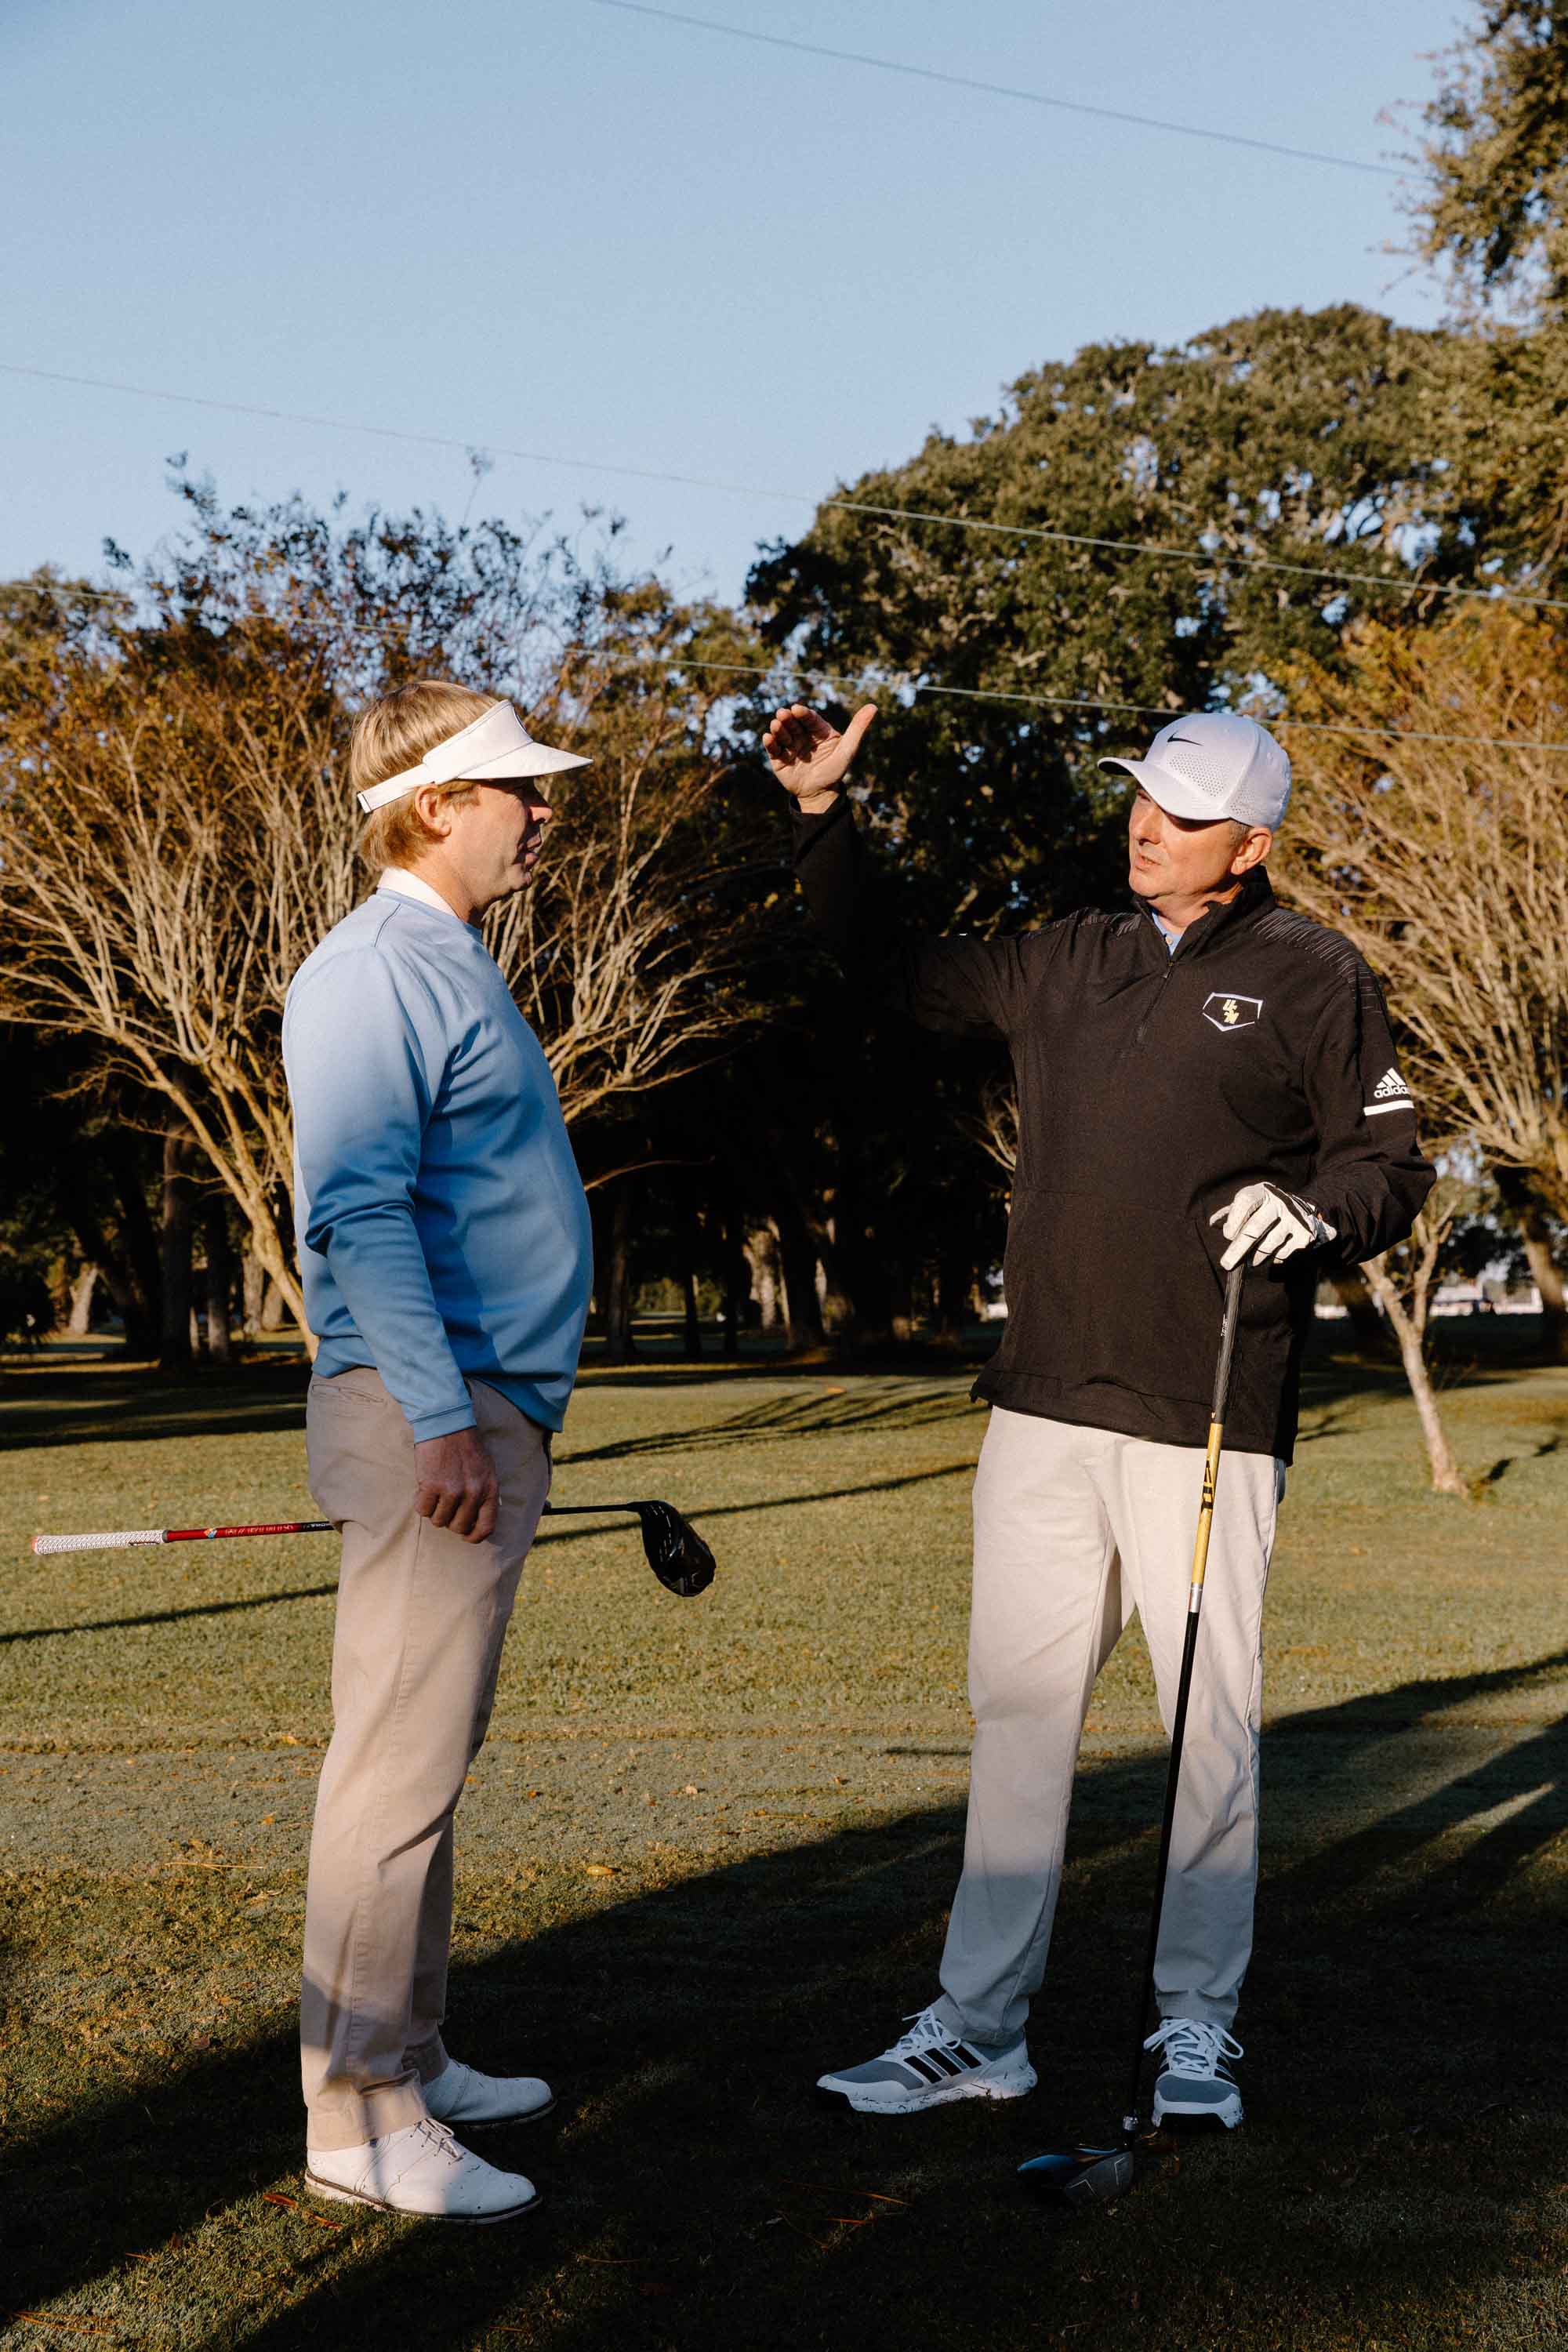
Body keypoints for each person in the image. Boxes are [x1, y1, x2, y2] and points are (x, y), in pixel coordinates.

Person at [764, 702, 1432, 2126]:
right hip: (1046, 1400)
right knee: (1018, 1715)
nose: (1147, 825)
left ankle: (1195, 2027)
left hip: (1207, 1408)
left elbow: (1388, 1165)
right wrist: (824, 819)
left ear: (1250, 844)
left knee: (1208, 1730)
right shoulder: (1069, 955)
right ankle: (979, 2028)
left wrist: (1315, 1209)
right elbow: (889, 970)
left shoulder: (1316, 974)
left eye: (1184, 813)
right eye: (1141, 798)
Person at [282, 681, 593, 2221]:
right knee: (392, 1771)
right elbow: (357, 1208)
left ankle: (411, 2054)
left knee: (426, 1756)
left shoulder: (446, 960)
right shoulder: (370, 971)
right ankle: (358, 2118)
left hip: (469, 1409)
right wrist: (441, 1418)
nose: (541, 813)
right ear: (434, 808)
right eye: (517, 790)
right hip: (435, 1416)